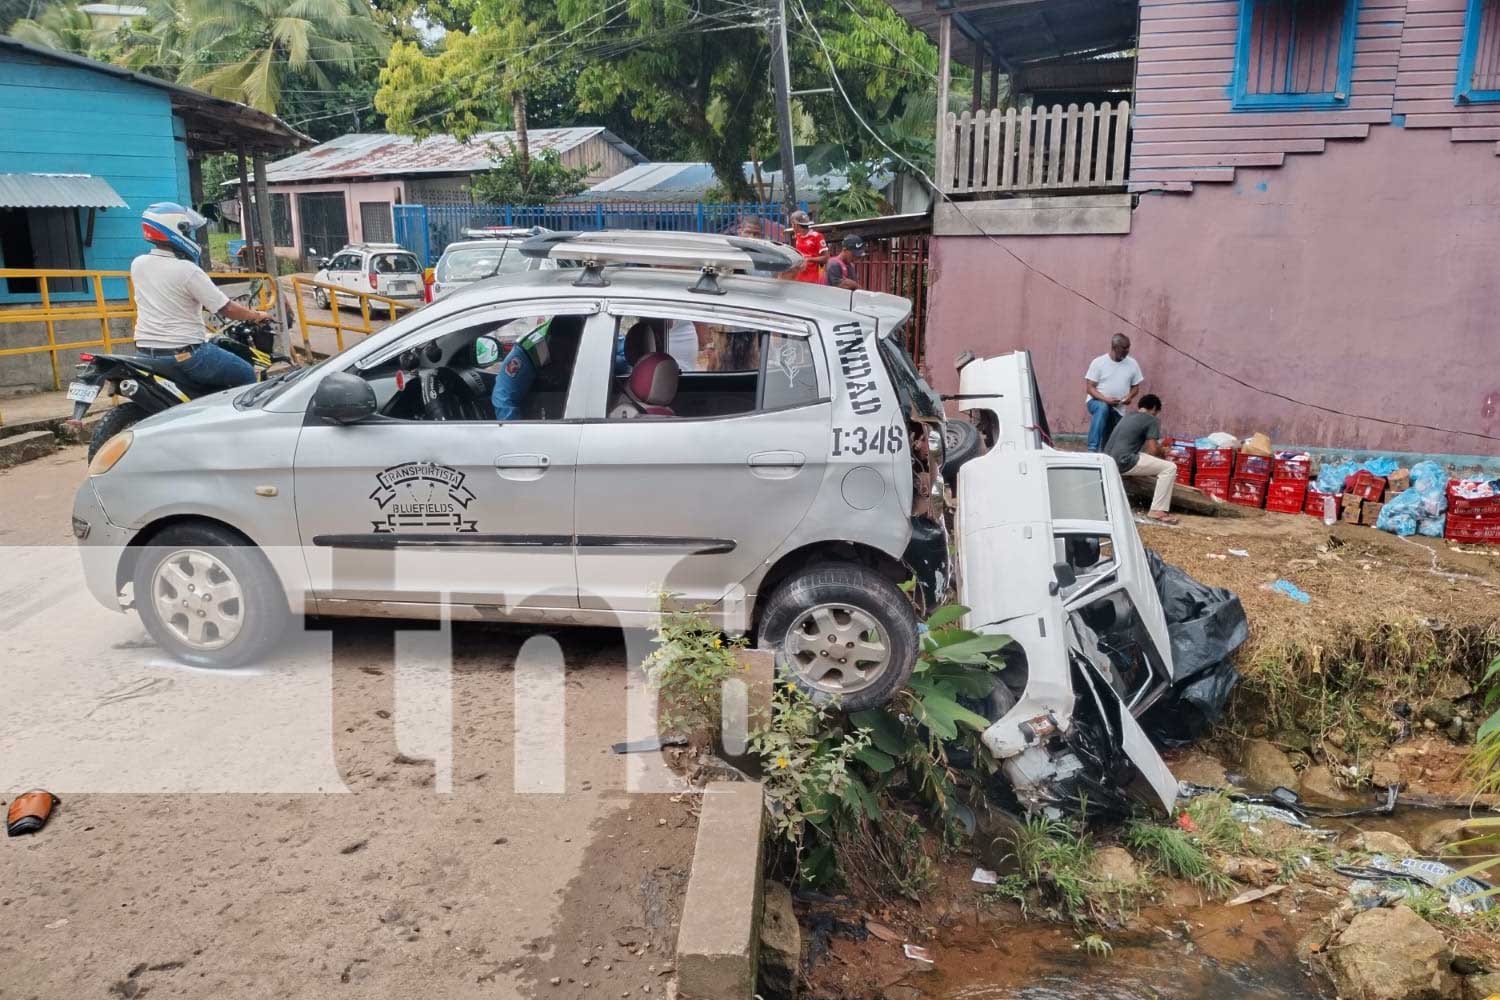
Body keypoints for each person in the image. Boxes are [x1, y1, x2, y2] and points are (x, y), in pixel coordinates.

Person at [130, 202, 275, 389]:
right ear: (177, 230)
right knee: (246, 372)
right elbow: (227, 308)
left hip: (144, 353)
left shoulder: (138, 264)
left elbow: (170, 295)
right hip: (186, 355)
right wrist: (257, 315)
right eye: (188, 231)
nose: (191, 236)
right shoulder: (188, 270)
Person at [1104, 394, 1179, 525]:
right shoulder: (1151, 420)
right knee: (1170, 468)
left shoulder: (1127, 416)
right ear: (1154, 409)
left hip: (1108, 460)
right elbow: (1153, 451)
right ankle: (1157, 510)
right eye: (1156, 413)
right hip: (1124, 461)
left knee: (1145, 457)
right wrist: (1164, 451)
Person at [1084, 333, 1144, 452]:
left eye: (1128, 347)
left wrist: (1129, 397)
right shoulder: (1099, 362)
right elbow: (1090, 388)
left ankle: (1105, 456)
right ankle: (1092, 449)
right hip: (1097, 402)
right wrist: (1106, 400)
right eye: (1124, 348)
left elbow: (1135, 387)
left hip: (1118, 407)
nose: (1127, 351)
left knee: (1110, 441)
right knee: (1103, 408)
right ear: (1114, 347)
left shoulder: (1132, 364)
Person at [788, 210, 828, 283]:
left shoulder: (817, 236)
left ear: (796, 224)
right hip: (799, 279)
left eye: (792, 224)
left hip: (813, 280)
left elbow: (825, 258)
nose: (792, 226)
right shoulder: (797, 236)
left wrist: (808, 260)